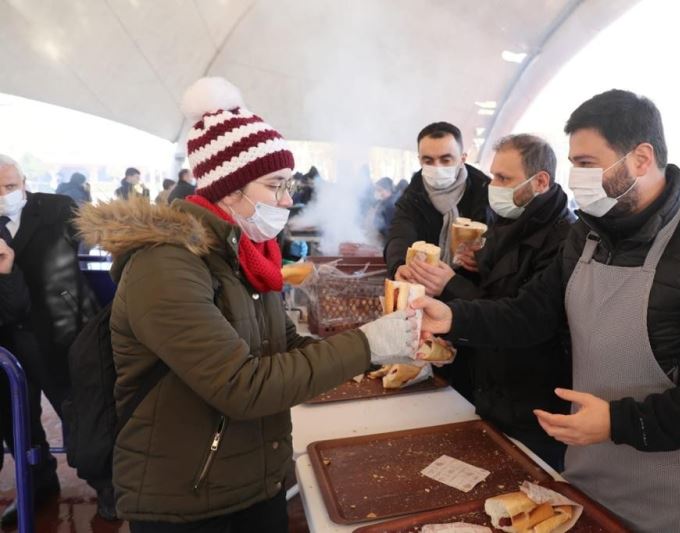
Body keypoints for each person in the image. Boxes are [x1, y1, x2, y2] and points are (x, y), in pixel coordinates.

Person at [411, 90, 680, 532]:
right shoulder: (586, 235)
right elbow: (530, 313)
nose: (575, 176)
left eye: (587, 163)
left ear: (641, 159)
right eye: (573, 162)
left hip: (677, 493)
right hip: (589, 471)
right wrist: (454, 318)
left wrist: (619, 421)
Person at [75, 77, 420, 532]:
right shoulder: (167, 267)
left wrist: (383, 337)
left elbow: (283, 343)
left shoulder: (239, 256)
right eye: (275, 185)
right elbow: (243, 385)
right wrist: (367, 344)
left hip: (252, 477)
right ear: (229, 188)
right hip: (189, 498)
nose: (287, 199)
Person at [404, 134, 574, 470]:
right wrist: (475, 270)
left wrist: (452, 287)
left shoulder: (564, 238)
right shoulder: (508, 223)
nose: (492, 185)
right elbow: (495, 291)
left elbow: (523, 316)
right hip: (490, 389)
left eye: (503, 178)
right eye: (493, 175)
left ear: (540, 181)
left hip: (532, 403)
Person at [0, 154, 98, 525]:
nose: (4, 195)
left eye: (10, 187)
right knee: (17, 423)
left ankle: (106, 486)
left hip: (62, 332)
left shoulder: (57, 208)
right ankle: (39, 485)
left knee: (81, 413)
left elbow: (92, 235)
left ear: (23, 183)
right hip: (9, 340)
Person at [384, 121, 491, 278]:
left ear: (462, 159)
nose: (437, 167)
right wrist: (399, 265)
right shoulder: (413, 195)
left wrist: (484, 257)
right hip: (424, 281)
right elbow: (400, 233)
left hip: (475, 289)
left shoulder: (485, 191)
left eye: (445, 160)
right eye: (428, 161)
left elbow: (501, 238)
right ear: (420, 160)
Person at [365, 177, 397, 244]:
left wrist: (380, 233)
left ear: (388, 189)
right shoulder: (383, 203)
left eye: (380, 190)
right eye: (377, 190)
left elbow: (390, 230)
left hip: (389, 242)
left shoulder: (391, 206)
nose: (378, 193)